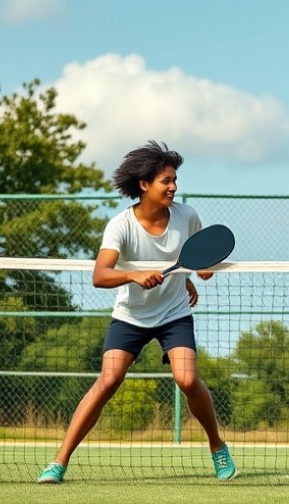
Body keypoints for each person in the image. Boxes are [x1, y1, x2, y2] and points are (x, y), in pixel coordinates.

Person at [37, 141, 237, 484]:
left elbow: (200, 257)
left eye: (175, 180)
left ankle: (217, 445)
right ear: (144, 185)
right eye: (166, 181)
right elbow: (100, 275)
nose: (173, 187)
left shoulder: (187, 215)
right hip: (130, 315)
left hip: (174, 313)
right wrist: (133, 274)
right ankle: (59, 462)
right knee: (108, 380)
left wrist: (199, 273)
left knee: (187, 379)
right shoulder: (120, 226)